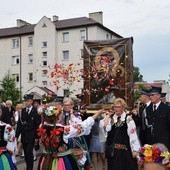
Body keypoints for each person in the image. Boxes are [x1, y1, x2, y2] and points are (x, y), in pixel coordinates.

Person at [37, 101, 104, 169]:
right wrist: (98, 113)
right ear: (57, 116)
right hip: (61, 161)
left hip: (46, 160)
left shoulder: (41, 127)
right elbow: (85, 124)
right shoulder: (64, 130)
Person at [100, 98, 140, 170]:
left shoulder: (128, 119)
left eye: (119, 107)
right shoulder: (110, 118)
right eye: (115, 107)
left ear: (123, 108)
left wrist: (135, 150)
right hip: (113, 152)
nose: (116, 109)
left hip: (125, 151)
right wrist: (107, 116)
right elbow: (105, 127)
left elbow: (133, 135)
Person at [15, 94, 41, 170]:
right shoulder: (22, 111)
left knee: (29, 152)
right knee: (26, 154)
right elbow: (19, 125)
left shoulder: (36, 112)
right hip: (24, 136)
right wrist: (16, 136)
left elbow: (37, 126)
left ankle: (30, 168)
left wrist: (37, 137)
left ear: (32, 101)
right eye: (25, 101)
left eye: (28, 101)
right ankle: (28, 166)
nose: (26, 102)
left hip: (31, 136)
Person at [145, 86, 170, 151]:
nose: (150, 97)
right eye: (149, 95)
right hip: (150, 143)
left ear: (159, 95)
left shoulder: (167, 109)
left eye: (152, 95)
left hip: (164, 144)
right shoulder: (147, 109)